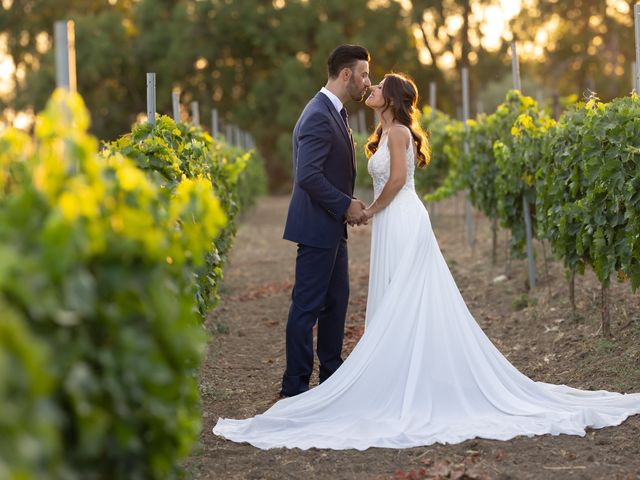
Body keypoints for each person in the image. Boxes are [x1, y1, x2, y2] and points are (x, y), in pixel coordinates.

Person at [213, 73, 640, 450]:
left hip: (401, 220)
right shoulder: (379, 129)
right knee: (394, 297)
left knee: (407, 296)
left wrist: (370, 210)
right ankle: (387, 374)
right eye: (368, 80)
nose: (371, 87)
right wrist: (358, 208)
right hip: (388, 222)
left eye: (378, 86)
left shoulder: (398, 131)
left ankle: (402, 377)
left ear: (393, 99)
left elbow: (398, 180)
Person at [279, 44, 371, 398]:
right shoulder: (318, 114)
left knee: (336, 302)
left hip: (331, 227)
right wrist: (346, 204)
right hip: (318, 227)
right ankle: (295, 389)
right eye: (363, 74)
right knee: (307, 308)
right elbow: (308, 176)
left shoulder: (336, 112)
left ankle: (331, 379)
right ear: (346, 74)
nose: (368, 81)